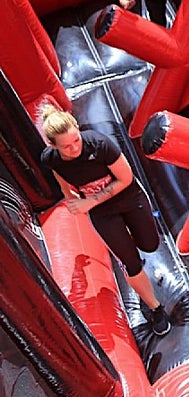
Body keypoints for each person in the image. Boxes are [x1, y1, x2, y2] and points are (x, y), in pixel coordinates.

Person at [38, 104, 171, 336]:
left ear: (79, 130)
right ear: (53, 146)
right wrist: (71, 199)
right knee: (130, 261)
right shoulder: (51, 159)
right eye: (66, 147)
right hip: (103, 213)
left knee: (150, 244)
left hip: (128, 196)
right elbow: (61, 178)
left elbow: (125, 178)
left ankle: (136, 257)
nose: (74, 148)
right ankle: (155, 307)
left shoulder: (99, 145)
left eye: (76, 141)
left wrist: (90, 201)